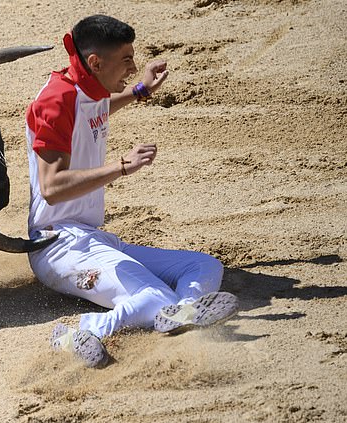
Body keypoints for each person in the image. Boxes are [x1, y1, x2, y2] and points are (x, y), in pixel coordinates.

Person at [25, 15, 239, 368]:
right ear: (96, 62)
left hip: (92, 238)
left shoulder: (83, 90)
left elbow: (93, 111)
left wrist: (139, 91)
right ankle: (79, 331)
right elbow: (51, 188)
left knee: (204, 266)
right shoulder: (56, 100)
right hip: (59, 246)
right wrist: (121, 167)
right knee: (153, 294)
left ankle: (182, 312)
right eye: (126, 59)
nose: (133, 66)